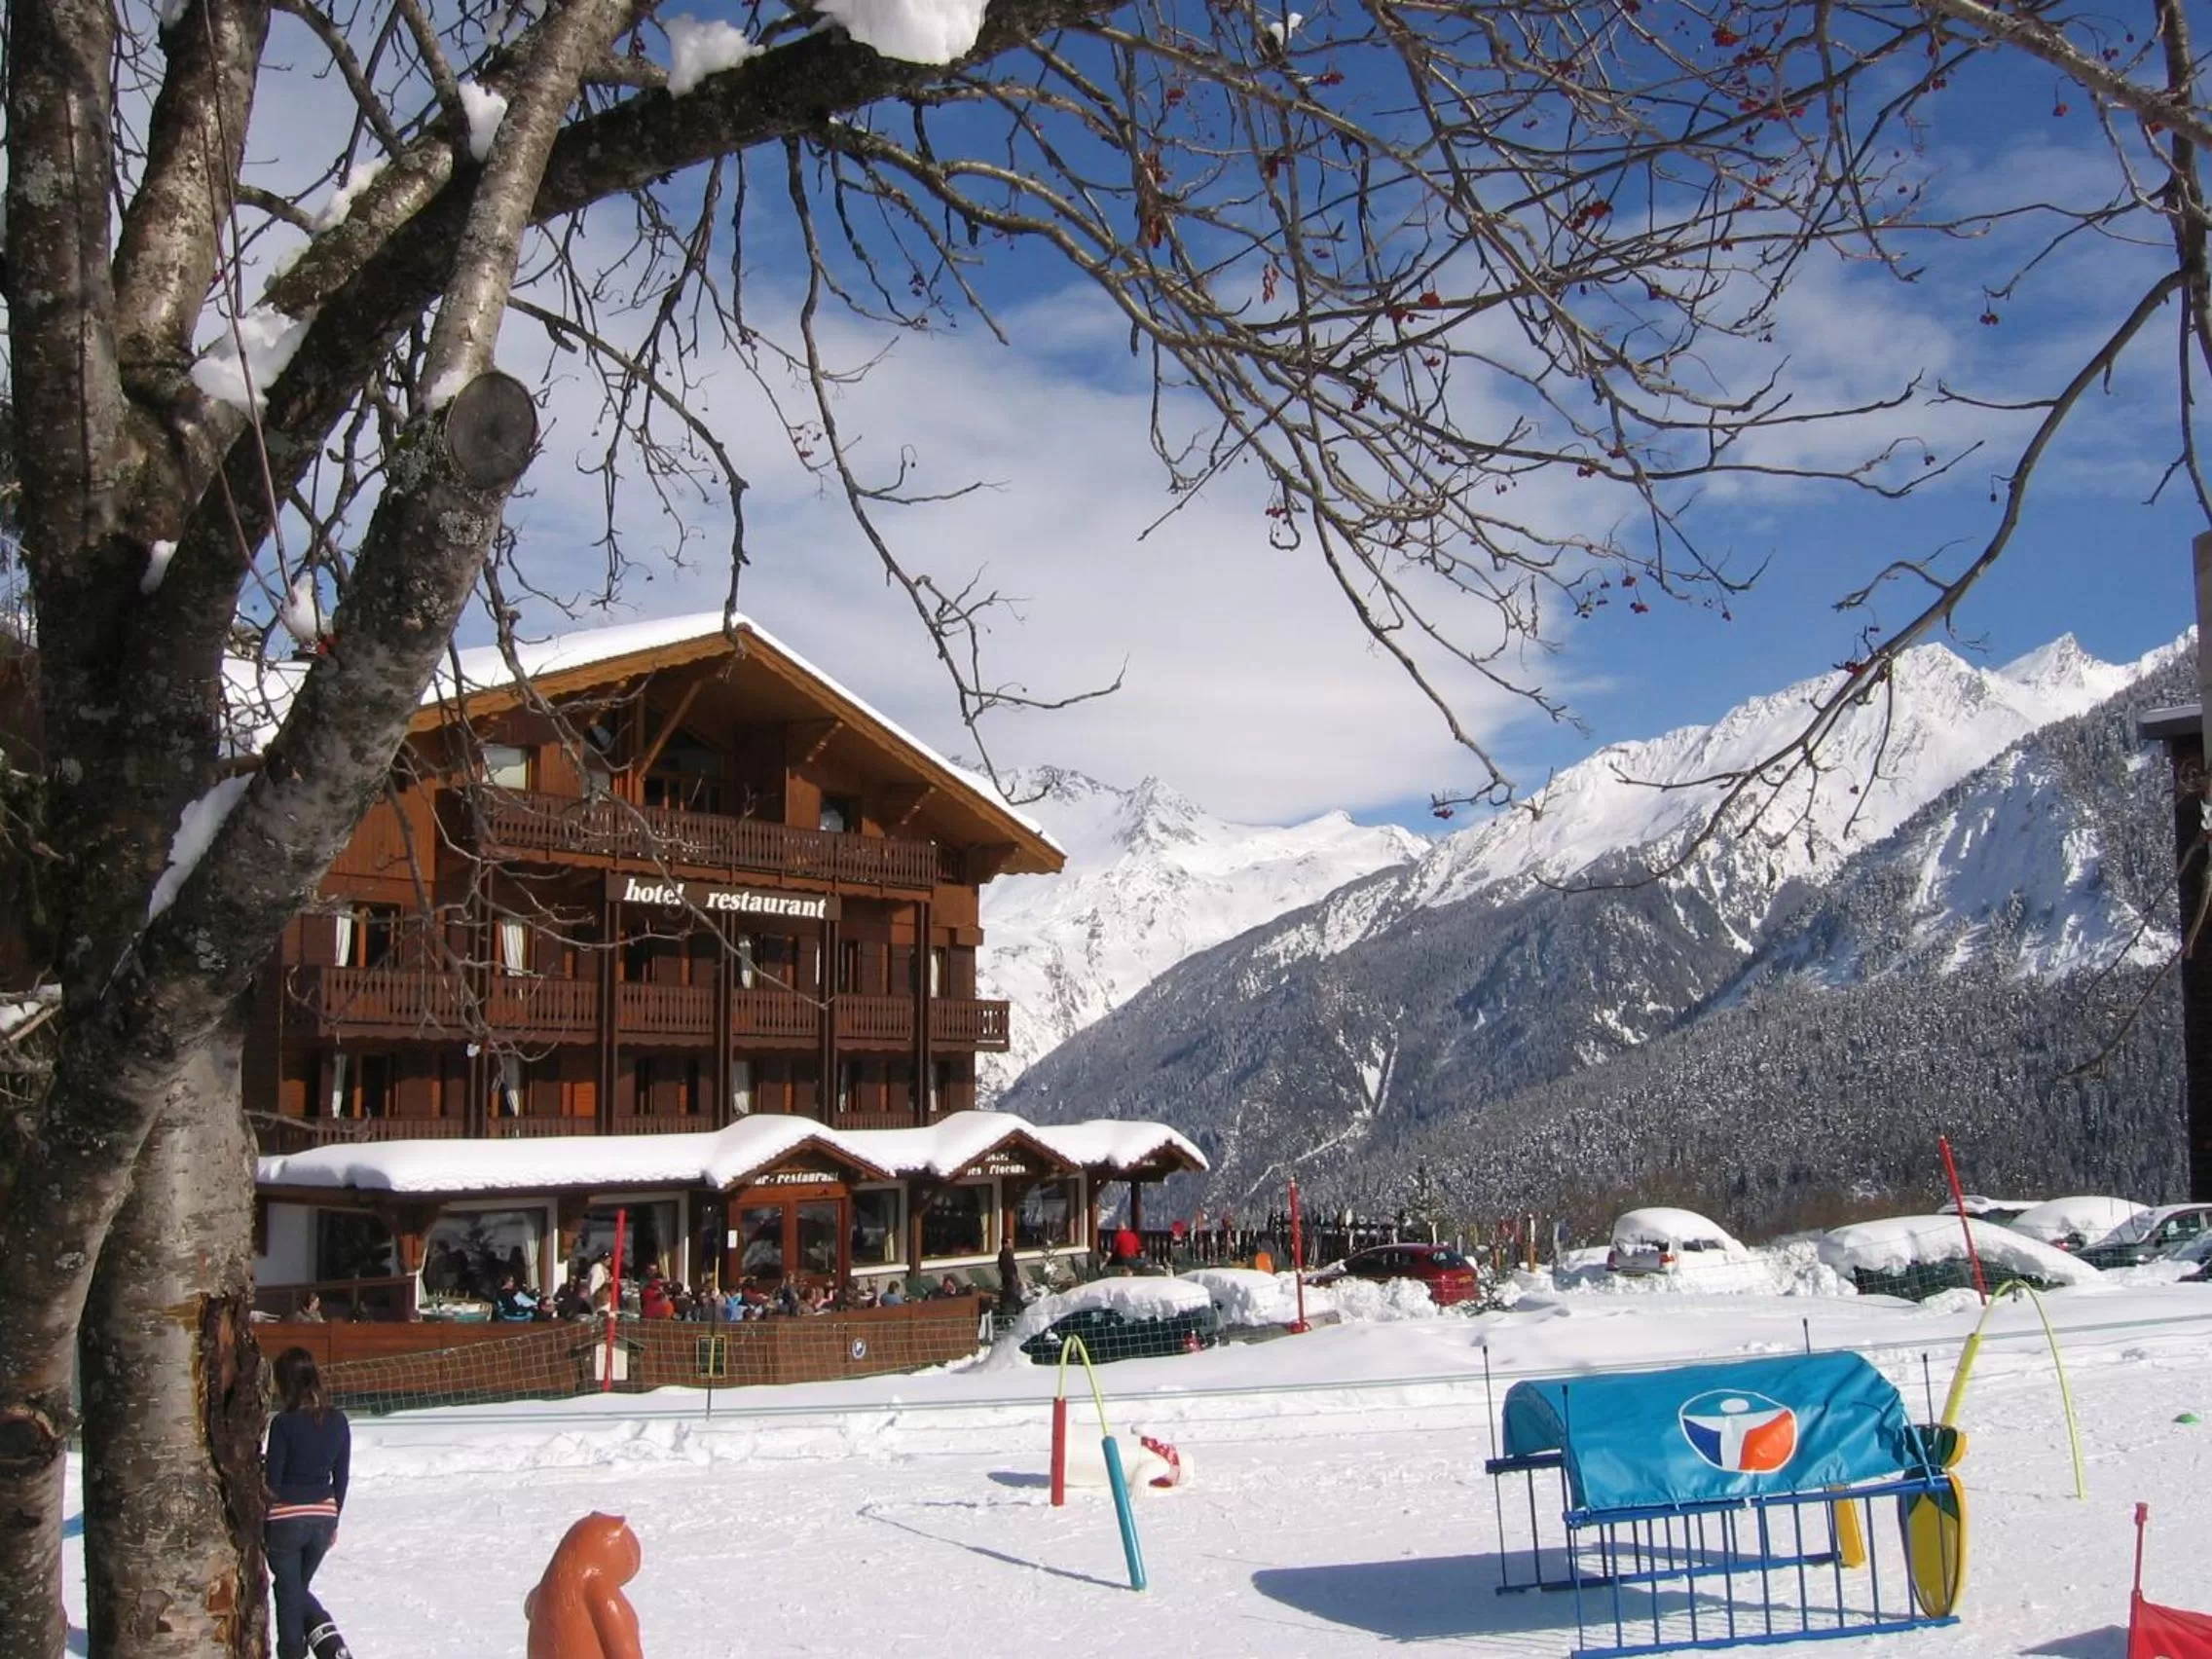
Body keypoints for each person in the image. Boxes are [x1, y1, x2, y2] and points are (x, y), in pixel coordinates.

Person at [265, 1346, 351, 1659]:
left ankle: (307, 1652)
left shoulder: (283, 1424)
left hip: (287, 1519)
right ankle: (332, 1647)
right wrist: (334, 1520)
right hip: (323, 1517)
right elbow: (341, 1478)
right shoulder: (339, 1420)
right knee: (294, 1591)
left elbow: (273, 1482)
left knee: (290, 1595)